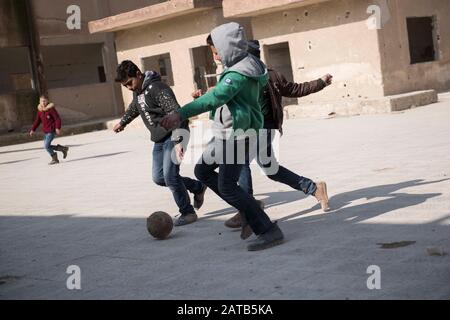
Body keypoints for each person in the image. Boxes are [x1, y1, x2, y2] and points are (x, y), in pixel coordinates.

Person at [161, 22, 284, 251]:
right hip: (225, 134)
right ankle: (248, 206)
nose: (215, 56)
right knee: (202, 171)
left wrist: (180, 113)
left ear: (230, 47)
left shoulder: (238, 73)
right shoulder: (242, 65)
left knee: (227, 186)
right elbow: (225, 96)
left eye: (216, 51)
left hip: (237, 135)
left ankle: (267, 229)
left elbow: (217, 97)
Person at [225, 40, 332, 232]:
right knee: (271, 169)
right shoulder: (242, 76)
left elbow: (295, 89)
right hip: (253, 127)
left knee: (241, 163)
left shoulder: (268, 76)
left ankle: (246, 210)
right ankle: (314, 188)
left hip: (262, 128)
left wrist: (320, 83)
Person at [113, 61, 207, 226]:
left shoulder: (157, 88)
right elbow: (135, 108)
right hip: (160, 138)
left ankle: (188, 212)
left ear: (138, 74)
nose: (129, 88)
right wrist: (123, 122)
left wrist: (178, 141)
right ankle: (197, 187)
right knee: (159, 178)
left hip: (176, 134)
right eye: (125, 86)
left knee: (170, 176)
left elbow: (175, 112)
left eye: (129, 83)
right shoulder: (138, 91)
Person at [29, 95, 69, 165]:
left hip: (51, 130)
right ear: (39, 102)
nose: (43, 103)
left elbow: (57, 119)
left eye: (44, 101)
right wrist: (33, 129)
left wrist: (57, 128)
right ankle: (63, 149)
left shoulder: (51, 109)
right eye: (42, 101)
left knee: (46, 146)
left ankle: (55, 159)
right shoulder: (40, 111)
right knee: (47, 146)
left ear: (47, 101)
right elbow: (37, 121)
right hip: (46, 132)